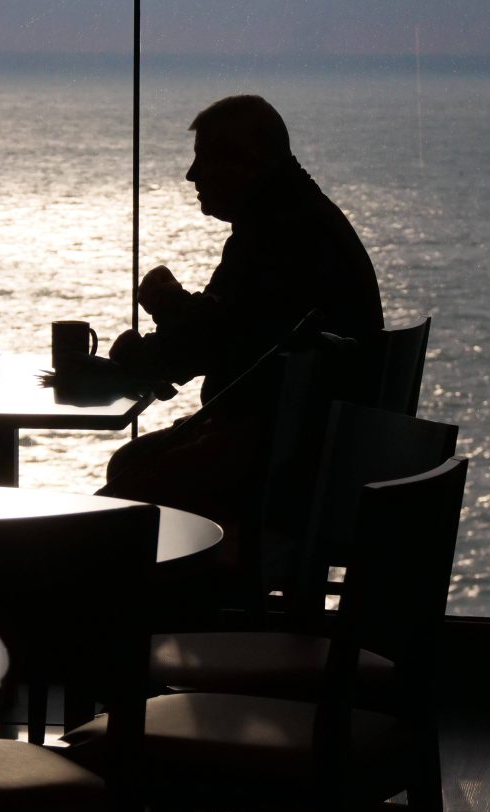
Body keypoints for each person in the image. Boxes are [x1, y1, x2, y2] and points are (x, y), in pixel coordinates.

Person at [101, 95, 383, 529]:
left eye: (204, 160)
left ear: (247, 163)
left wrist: (144, 342)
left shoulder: (276, 236)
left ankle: (201, 577)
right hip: (316, 451)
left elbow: (206, 346)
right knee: (131, 464)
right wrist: (176, 314)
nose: (192, 175)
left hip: (280, 464)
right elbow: (235, 329)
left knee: (117, 507)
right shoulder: (299, 220)